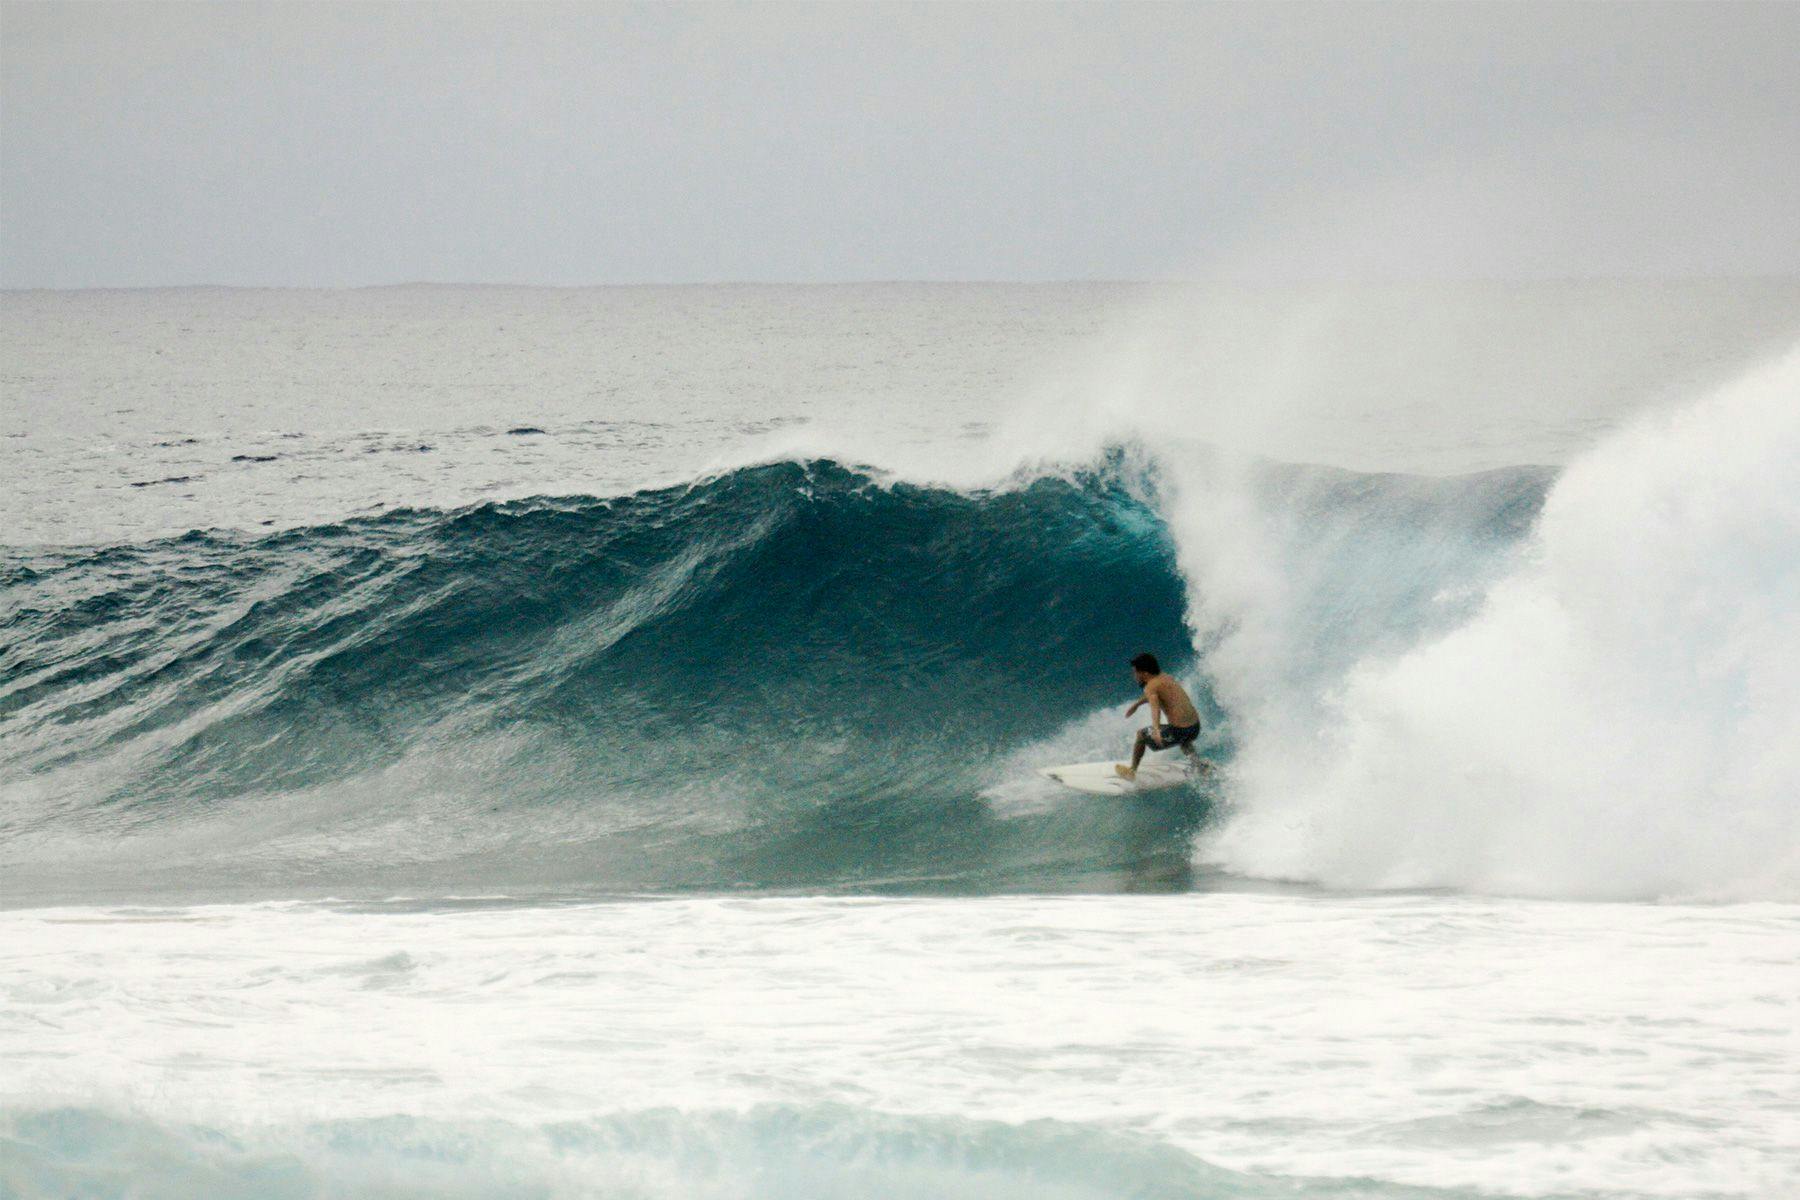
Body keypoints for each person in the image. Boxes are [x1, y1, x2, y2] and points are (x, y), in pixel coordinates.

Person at [1116, 652, 1206, 780]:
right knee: (1184, 741)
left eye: (1136, 672)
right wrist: (1137, 704)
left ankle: (1132, 771)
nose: (1134, 675)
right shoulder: (1166, 677)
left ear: (1145, 673)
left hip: (1180, 731)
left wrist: (1156, 730)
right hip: (1195, 727)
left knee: (1141, 735)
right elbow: (1156, 695)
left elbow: (1155, 707)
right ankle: (1199, 767)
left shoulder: (1150, 686)